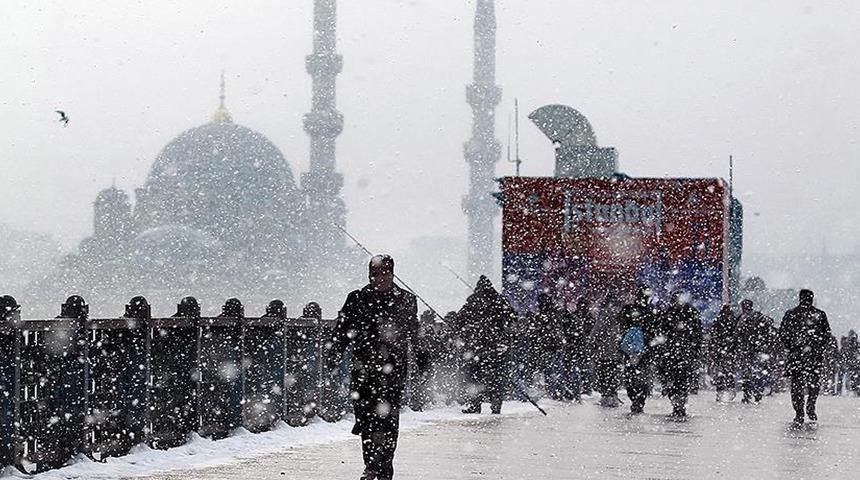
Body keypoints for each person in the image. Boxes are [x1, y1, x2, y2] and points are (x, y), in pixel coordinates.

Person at [328, 255, 423, 480]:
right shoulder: (357, 299)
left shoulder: (405, 300)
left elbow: (413, 331)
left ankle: (381, 467)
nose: (378, 279)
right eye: (374, 274)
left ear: (391, 274)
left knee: (388, 420)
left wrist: (421, 355)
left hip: (393, 370)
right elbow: (342, 331)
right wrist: (334, 354)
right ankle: (372, 462)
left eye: (383, 274)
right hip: (363, 370)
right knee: (366, 419)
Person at [453, 275, 515, 414]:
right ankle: (496, 405)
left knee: (475, 376)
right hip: (496, 346)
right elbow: (512, 316)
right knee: (497, 376)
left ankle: (475, 405)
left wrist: (463, 330)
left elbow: (459, 320)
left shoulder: (473, 301)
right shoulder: (500, 301)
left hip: (477, 346)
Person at [778, 289, 831, 427]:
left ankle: (799, 412)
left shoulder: (791, 314)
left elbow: (783, 333)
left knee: (797, 386)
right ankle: (810, 406)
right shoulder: (819, 314)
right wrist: (818, 346)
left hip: (797, 355)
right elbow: (827, 335)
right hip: (814, 355)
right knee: (813, 384)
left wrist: (791, 346)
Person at [658, 291, 703, 417]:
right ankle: (678, 403)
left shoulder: (681, 313)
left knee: (679, 380)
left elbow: (697, 333)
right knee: (677, 380)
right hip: (677, 353)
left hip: (679, 353)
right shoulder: (672, 313)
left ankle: (679, 404)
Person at [618, 285, 659, 414]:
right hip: (644, 350)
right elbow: (656, 330)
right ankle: (639, 400)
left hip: (630, 350)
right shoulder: (651, 311)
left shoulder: (629, 309)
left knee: (631, 375)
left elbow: (621, 324)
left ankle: (636, 399)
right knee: (641, 376)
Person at [589, 289, 624, 407]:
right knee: (614, 372)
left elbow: (597, 331)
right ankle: (613, 395)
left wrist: (592, 342)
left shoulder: (605, 313)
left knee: (604, 372)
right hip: (617, 350)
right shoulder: (620, 313)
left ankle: (606, 396)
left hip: (605, 350)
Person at [735, 299, 771, 403]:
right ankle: (757, 392)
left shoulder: (742, 318)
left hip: (747, 350)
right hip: (757, 349)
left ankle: (747, 394)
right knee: (757, 372)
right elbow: (768, 327)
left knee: (747, 373)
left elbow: (737, 334)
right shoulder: (759, 316)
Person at [561, 297, 592, 402]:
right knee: (580, 369)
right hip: (581, 346)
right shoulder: (584, 317)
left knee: (571, 370)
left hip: (573, 347)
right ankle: (581, 389)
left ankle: (573, 390)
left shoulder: (573, 317)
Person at [710, 305, 738, 401]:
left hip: (724, 350)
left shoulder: (719, 321)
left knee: (724, 372)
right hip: (726, 351)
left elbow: (713, 337)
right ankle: (724, 391)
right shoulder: (731, 321)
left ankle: (723, 391)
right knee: (725, 372)